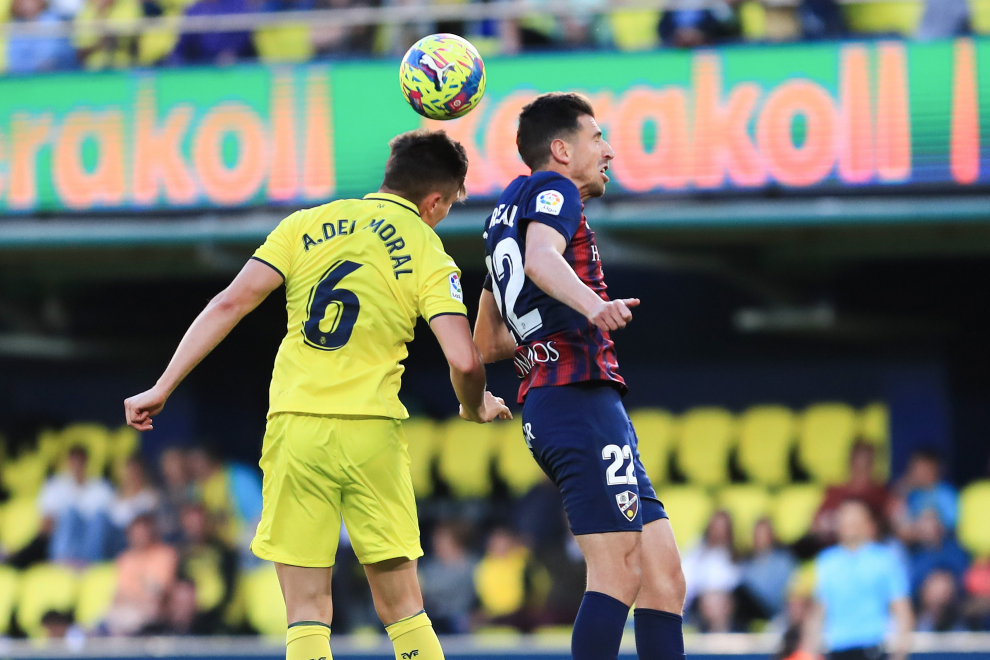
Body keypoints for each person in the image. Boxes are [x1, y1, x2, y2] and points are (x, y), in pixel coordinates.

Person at [124, 128, 511, 660]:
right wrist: (474, 406)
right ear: (435, 201)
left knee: (306, 614)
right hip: (370, 433)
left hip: (295, 428)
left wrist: (163, 386)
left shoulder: (306, 223)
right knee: (403, 609)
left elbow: (230, 304)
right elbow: (465, 358)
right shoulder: (427, 248)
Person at [471, 92, 686, 660]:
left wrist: (543, 341)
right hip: (576, 402)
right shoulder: (554, 190)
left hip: (564, 402)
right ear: (561, 150)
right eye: (597, 138)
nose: (609, 151)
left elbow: (487, 342)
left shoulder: (502, 214)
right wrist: (595, 308)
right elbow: (543, 259)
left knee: (663, 578)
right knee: (617, 570)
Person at [805, 499, 913, 660]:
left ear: (868, 524)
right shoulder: (826, 561)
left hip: (873, 647)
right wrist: (810, 652)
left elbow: (902, 610)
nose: (850, 525)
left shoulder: (886, 559)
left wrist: (900, 653)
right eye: (845, 520)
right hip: (836, 649)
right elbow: (818, 611)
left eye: (855, 520)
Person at [39, 444, 114, 565]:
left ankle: (90, 561)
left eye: (80, 461)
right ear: (68, 462)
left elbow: (108, 524)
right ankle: (62, 559)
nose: (77, 465)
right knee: (70, 514)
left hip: (93, 547)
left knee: (99, 518)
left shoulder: (101, 487)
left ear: (87, 462)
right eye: (74, 461)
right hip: (65, 543)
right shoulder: (54, 485)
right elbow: (45, 525)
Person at [105, 514, 179, 635]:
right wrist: (138, 599)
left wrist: (134, 598)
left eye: (143, 532)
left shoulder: (165, 555)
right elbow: (118, 596)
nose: (139, 536)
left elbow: (157, 596)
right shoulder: (125, 559)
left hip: (153, 614)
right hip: (126, 611)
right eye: (136, 533)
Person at [812, 442, 893, 546]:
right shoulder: (834, 491)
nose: (861, 464)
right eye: (857, 461)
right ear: (850, 462)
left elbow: (889, 525)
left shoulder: (882, 492)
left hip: (870, 547)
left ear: (873, 464)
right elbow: (816, 525)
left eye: (866, 462)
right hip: (834, 547)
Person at [418, 521, 477, 634]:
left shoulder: (472, 566)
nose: (437, 543)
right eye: (436, 539)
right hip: (433, 619)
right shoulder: (429, 567)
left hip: (462, 620)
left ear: (457, 541)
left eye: (443, 539)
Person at [895, 449, 958, 542]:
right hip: (914, 545)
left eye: (922, 468)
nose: (916, 473)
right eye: (914, 468)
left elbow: (952, 523)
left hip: (943, 544)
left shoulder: (946, 493)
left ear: (935, 469)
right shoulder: (912, 494)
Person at [108, 454, 160, 556]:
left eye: (134, 471)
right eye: (128, 471)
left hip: (137, 537)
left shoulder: (149, 496)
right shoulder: (115, 498)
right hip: (116, 537)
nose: (131, 475)